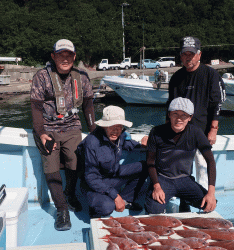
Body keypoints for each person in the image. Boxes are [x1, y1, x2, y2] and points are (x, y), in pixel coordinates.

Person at [30, 39, 96, 231]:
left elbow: (88, 106)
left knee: (76, 160)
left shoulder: (82, 77)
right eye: (61, 55)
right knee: (50, 163)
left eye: (69, 55)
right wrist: (41, 133)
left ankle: (70, 192)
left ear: (74, 57)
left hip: (71, 126)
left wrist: (93, 132)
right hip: (47, 128)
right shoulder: (42, 76)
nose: (65, 59)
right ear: (53, 56)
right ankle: (62, 209)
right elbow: (35, 107)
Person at [166, 36, 225, 212]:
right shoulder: (176, 77)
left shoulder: (210, 74)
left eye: (191, 54)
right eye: (185, 54)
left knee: (202, 167)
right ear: (180, 56)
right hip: (179, 131)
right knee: (182, 167)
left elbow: (217, 104)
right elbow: (169, 106)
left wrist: (213, 129)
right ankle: (185, 200)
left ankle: (203, 203)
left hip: (202, 131)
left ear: (199, 55)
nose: (188, 57)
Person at [145, 97, 217, 214]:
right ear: (169, 115)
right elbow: (150, 163)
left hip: (185, 179)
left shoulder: (196, 132)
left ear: (190, 117)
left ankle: (185, 201)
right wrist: (156, 187)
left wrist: (211, 193)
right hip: (163, 179)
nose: (179, 118)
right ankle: (182, 199)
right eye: (175, 114)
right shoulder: (156, 132)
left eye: (184, 115)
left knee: (209, 204)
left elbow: (210, 161)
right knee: (153, 210)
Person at [77, 105, 148, 218]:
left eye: (119, 126)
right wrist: (115, 196)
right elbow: (91, 178)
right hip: (93, 185)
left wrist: (143, 145)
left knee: (145, 166)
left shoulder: (121, 135)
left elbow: (129, 144)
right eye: (111, 126)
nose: (115, 130)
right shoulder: (92, 143)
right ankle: (96, 212)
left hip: (113, 175)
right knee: (107, 207)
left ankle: (125, 200)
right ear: (104, 126)